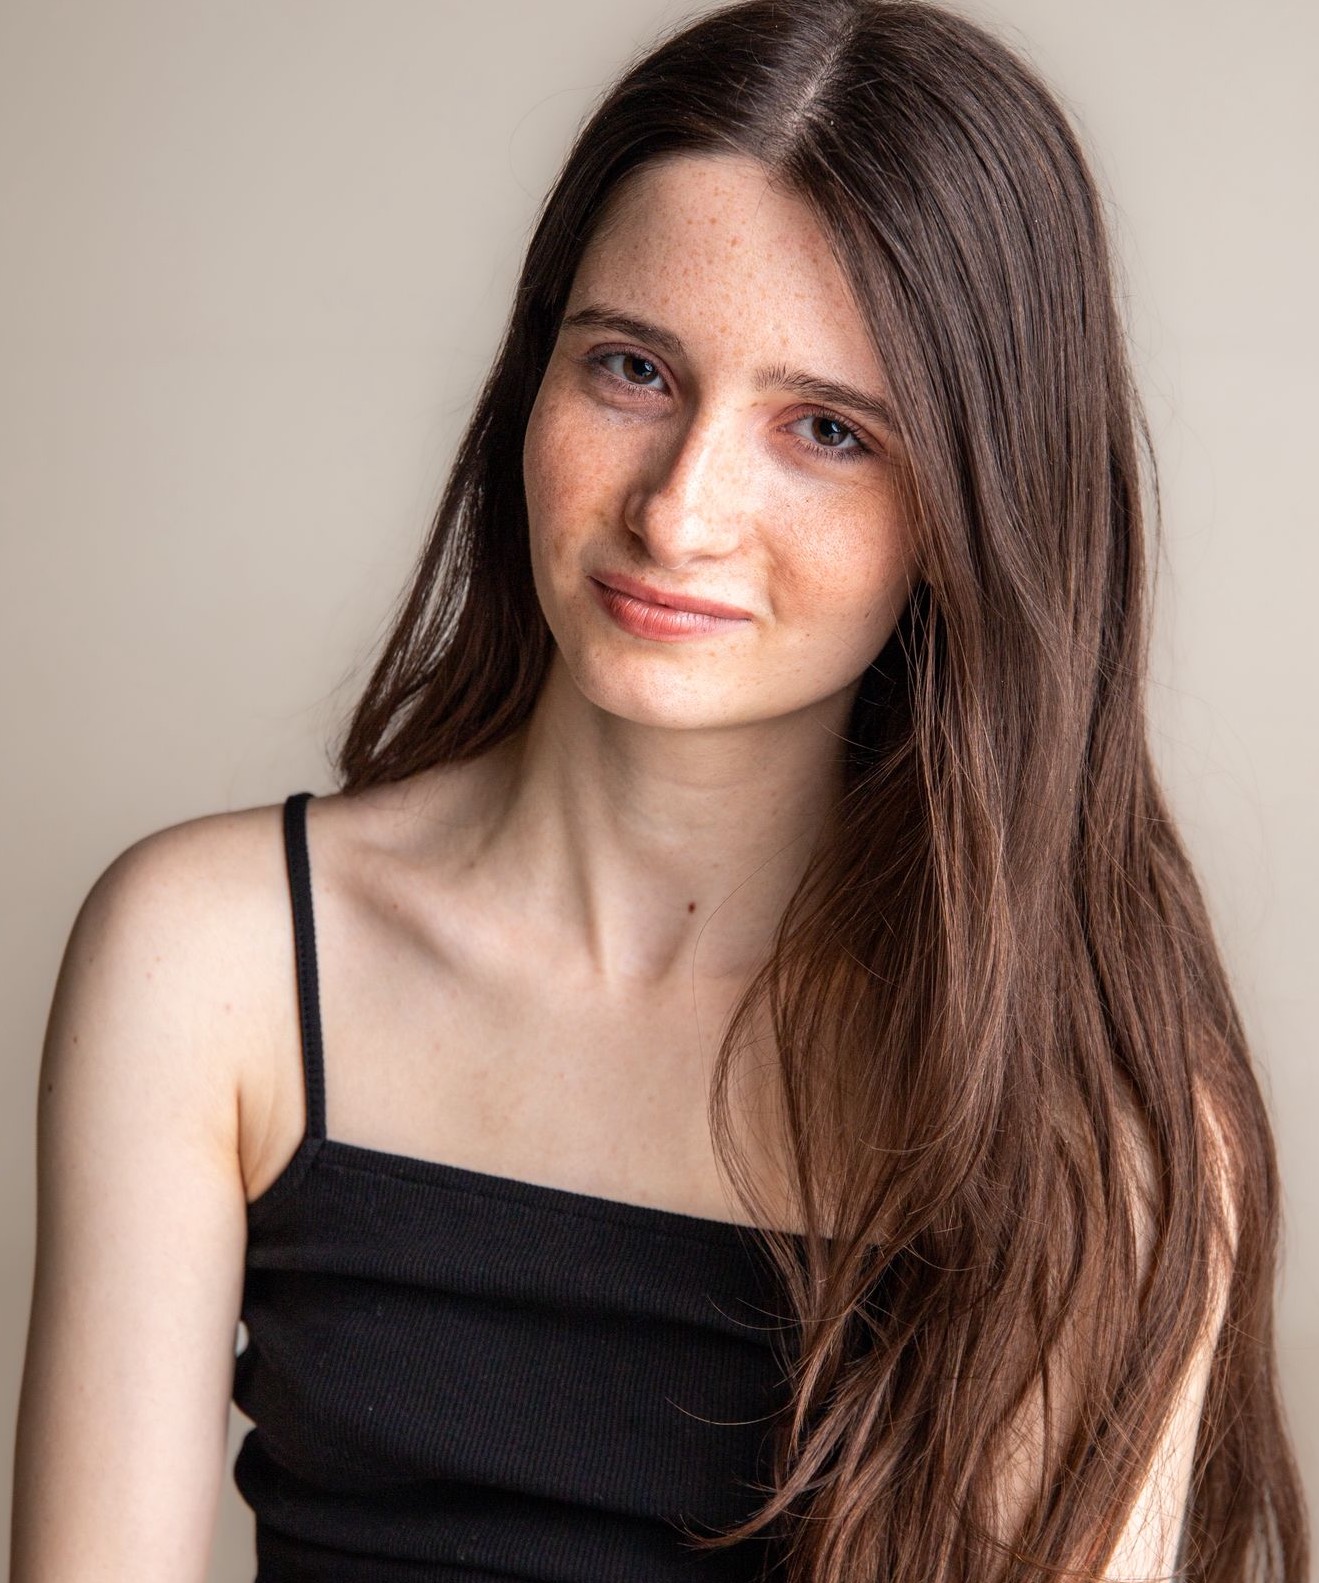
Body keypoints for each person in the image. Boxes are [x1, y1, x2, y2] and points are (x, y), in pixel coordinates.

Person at [9, 0, 1309, 1579]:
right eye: (633, 369)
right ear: (530, 382)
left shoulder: (1093, 1122)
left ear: (979, 509)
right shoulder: (207, 965)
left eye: (825, 431)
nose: (681, 512)